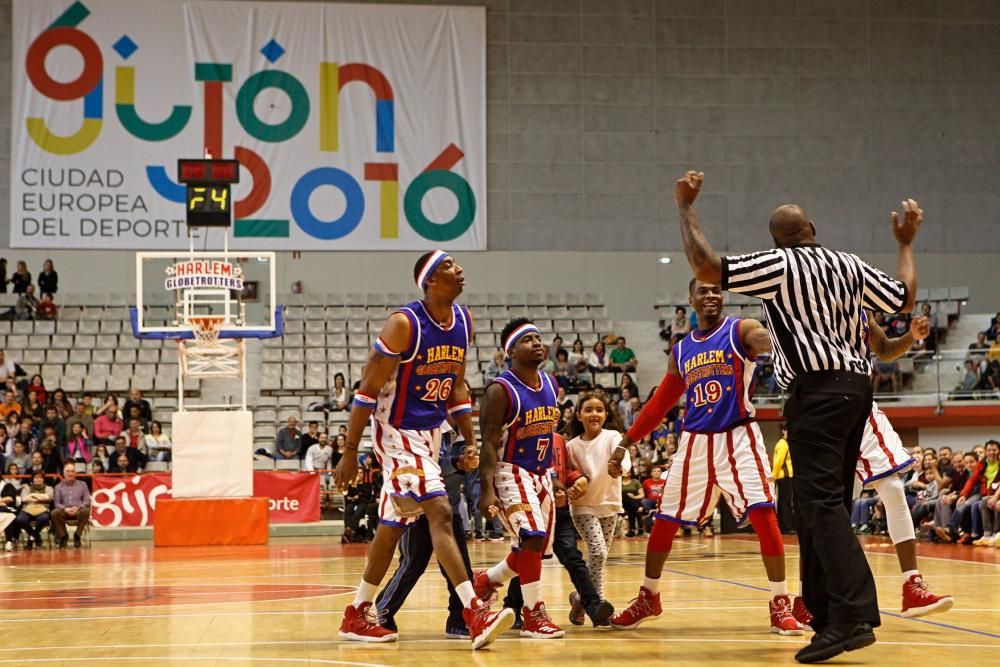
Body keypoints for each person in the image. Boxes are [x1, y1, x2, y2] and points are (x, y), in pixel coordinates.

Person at [670, 170, 919, 663]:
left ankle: (852, 616)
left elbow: (705, 266)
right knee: (815, 508)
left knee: (820, 507)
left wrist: (684, 207)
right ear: (814, 228)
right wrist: (906, 244)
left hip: (817, 394)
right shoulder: (848, 264)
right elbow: (904, 299)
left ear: (776, 242)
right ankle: (826, 617)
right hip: (856, 392)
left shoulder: (780, 266)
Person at [333, 250, 513, 649]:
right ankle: (473, 610)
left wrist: (466, 440)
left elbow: (458, 386)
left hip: (430, 435)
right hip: (396, 432)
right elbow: (366, 390)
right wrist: (349, 450)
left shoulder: (463, 321)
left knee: (392, 526)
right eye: (449, 266)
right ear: (430, 280)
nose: (459, 269)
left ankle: (358, 612)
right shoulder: (404, 324)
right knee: (441, 511)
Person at [607, 277, 803, 637]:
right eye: (704, 291)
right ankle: (649, 595)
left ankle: (780, 602)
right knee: (665, 519)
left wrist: (775, 337)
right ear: (691, 299)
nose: (711, 295)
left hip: (738, 435)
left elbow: (764, 340)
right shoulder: (681, 350)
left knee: (762, 513)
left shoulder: (740, 329)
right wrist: (626, 441)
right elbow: (659, 405)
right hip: (695, 442)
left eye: (717, 290)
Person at [853, 309, 952, 615]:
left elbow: (883, 348)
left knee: (894, 490)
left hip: (859, 405)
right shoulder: (801, 302)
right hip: (820, 409)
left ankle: (912, 585)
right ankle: (806, 597)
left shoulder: (857, 308)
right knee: (829, 511)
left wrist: (912, 336)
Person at [472, 319, 564, 639]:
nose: (537, 343)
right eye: (527, 339)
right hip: (510, 470)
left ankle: (485, 582)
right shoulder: (500, 390)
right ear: (510, 351)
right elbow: (487, 443)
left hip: (541, 474)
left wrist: (557, 475)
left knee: (531, 549)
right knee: (533, 537)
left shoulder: (551, 383)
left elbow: (547, 434)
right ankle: (533, 613)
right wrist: (485, 490)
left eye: (539, 337)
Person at [374, 421, 481, 638]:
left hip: (448, 508)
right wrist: (458, 463)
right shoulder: (427, 425)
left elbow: (467, 473)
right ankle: (383, 609)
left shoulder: (461, 436)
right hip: (420, 507)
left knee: (461, 567)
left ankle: (457, 620)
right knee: (413, 564)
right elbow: (428, 466)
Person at [564, 390, 629, 608]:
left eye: (599, 410)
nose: (594, 414)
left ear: (606, 414)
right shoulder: (571, 447)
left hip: (609, 505)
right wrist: (570, 488)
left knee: (600, 559)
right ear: (578, 415)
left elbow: (623, 461)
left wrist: (620, 467)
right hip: (582, 507)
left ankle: (580, 599)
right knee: (598, 551)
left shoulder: (613, 437)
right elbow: (567, 476)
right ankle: (597, 601)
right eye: (588, 410)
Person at [51, 461, 90, 548]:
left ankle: (77, 535)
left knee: (86, 511)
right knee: (54, 513)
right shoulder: (58, 486)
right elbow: (57, 503)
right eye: (68, 471)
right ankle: (63, 535)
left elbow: (87, 501)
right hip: (64, 511)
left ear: (75, 473)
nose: (70, 473)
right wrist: (65, 509)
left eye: (72, 471)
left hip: (79, 511)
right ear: (64, 473)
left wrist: (78, 508)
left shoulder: (83, 485)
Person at [16, 470, 52, 549]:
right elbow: (24, 499)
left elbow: (48, 497)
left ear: (43, 479)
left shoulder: (49, 488)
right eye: (36, 478)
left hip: (42, 510)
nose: (38, 479)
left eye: (40, 478)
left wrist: (32, 495)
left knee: (44, 518)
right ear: (32, 479)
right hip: (28, 509)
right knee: (20, 519)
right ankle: (35, 535)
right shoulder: (27, 488)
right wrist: (40, 498)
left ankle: (31, 538)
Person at [772, 424, 795, 534]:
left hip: (783, 477)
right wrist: (773, 477)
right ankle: (786, 526)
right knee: (785, 503)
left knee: (783, 502)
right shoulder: (783, 444)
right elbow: (778, 462)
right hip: (784, 477)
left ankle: (783, 526)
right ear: (784, 431)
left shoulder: (783, 444)